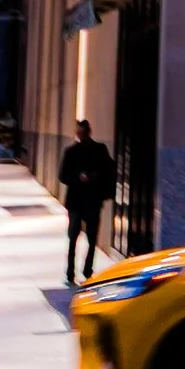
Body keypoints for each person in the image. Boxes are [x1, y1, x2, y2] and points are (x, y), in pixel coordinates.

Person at [60, 116, 117, 282]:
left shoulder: (73, 152)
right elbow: (109, 171)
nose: (80, 135)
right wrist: (88, 178)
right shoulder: (99, 150)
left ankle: (73, 271)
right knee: (89, 238)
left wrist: (82, 178)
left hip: (80, 201)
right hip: (89, 201)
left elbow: (63, 176)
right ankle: (84, 270)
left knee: (75, 237)